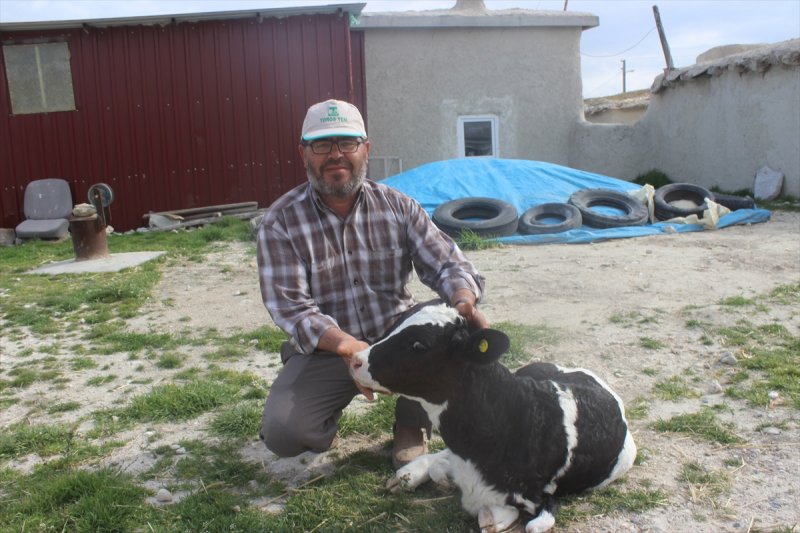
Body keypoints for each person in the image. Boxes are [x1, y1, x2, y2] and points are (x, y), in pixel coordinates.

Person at [256, 99, 487, 467]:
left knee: (451, 325)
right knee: (286, 434)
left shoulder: (398, 206)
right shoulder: (280, 222)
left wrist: (463, 302)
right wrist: (347, 347)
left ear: (366, 149)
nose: (336, 155)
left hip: (397, 336)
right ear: (303, 154)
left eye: (347, 143)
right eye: (322, 145)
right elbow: (290, 307)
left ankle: (412, 421)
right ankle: (315, 392)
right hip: (332, 349)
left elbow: (447, 264)